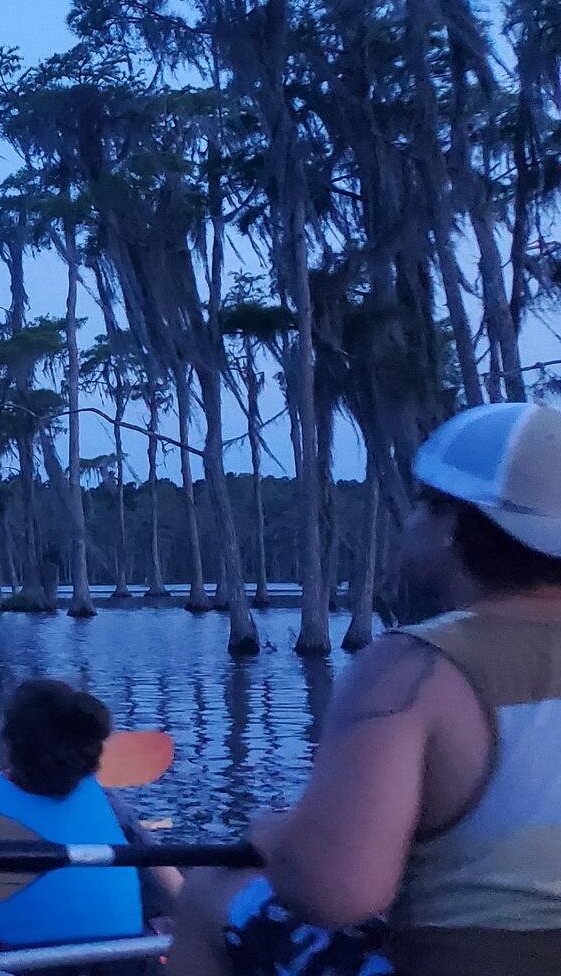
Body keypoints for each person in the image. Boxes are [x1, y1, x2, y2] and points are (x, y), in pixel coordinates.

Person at [169, 401, 561, 976]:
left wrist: (279, 837)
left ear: (453, 526)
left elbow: (337, 894)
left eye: (425, 503)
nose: (411, 520)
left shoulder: (412, 668)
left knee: (208, 889)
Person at [0, 678, 175, 950]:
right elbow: (174, 887)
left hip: (19, 963)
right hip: (122, 960)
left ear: (11, 746)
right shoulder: (107, 802)